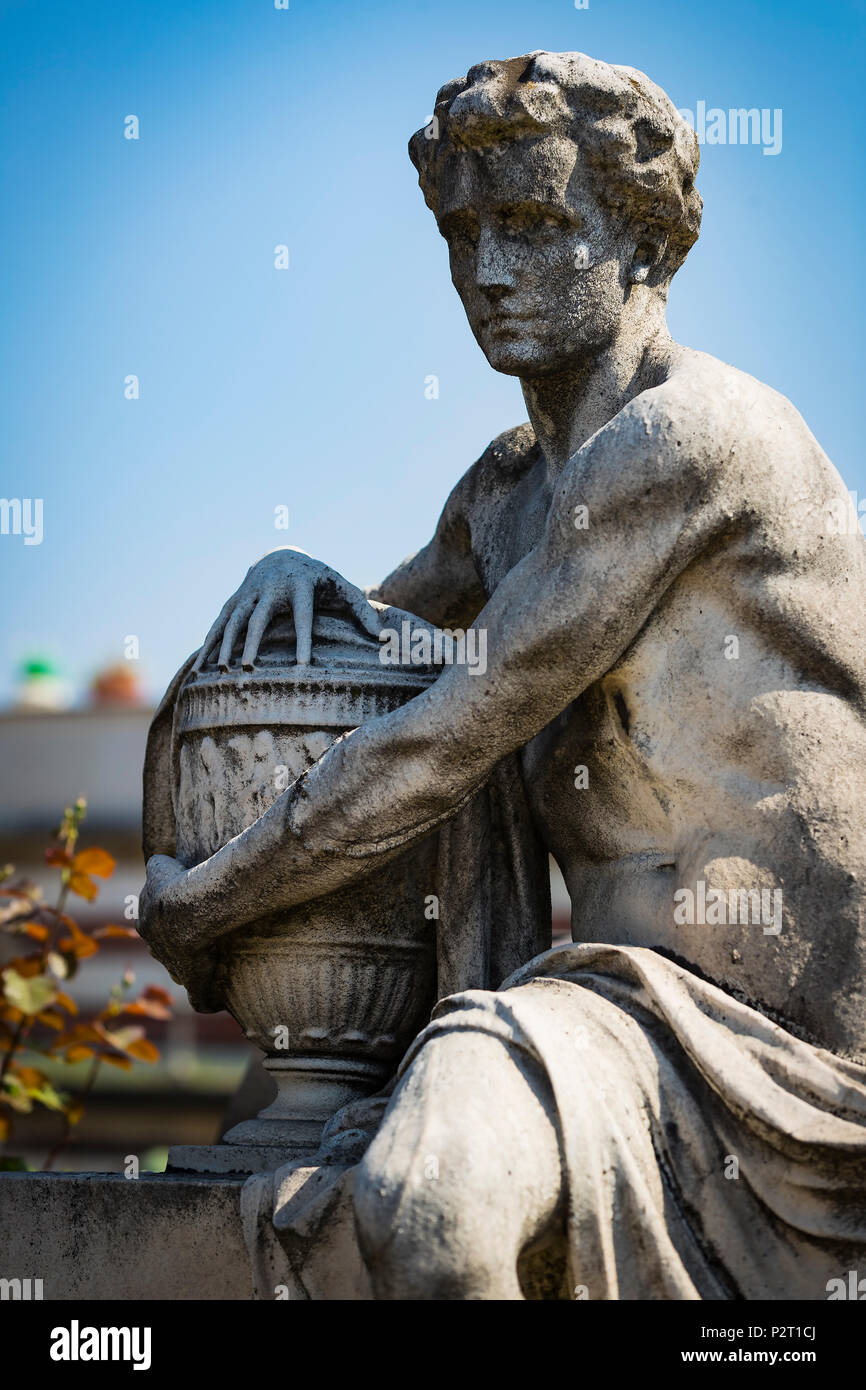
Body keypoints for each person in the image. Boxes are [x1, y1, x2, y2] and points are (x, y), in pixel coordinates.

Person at [141, 52, 866, 1299]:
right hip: (617, 1013)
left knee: (423, 1204)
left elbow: (436, 737)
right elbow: (375, 647)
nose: (486, 272)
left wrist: (201, 904)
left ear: (641, 239)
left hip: (799, 1051)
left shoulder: (687, 440)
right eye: (462, 231)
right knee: (427, 1203)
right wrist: (288, 565)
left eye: (532, 225)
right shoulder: (507, 490)